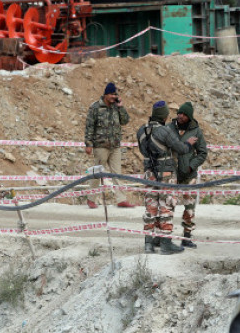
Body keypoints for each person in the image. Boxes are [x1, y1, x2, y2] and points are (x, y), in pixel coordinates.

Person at [137, 101, 197, 254]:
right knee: (166, 206)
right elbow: (181, 149)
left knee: (150, 207)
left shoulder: (141, 131)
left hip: (149, 174)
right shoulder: (164, 131)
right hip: (166, 174)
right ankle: (166, 243)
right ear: (164, 116)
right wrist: (189, 144)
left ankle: (148, 244)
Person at [84, 82, 132, 209]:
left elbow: (125, 121)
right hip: (101, 146)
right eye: (111, 94)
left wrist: (121, 107)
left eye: (115, 94)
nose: (113, 97)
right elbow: (89, 127)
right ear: (106, 94)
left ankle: (121, 199)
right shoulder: (95, 107)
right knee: (97, 173)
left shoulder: (116, 107)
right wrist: (88, 144)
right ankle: (91, 198)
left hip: (115, 146)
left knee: (117, 173)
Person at [172, 102, 208, 248]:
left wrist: (191, 165)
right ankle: (163, 236)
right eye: (179, 113)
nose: (180, 116)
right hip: (172, 174)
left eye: (184, 114)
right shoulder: (170, 128)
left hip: (189, 175)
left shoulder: (196, 131)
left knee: (189, 208)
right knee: (168, 205)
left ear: (189, 116)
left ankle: (187, 237)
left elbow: (202, 153)